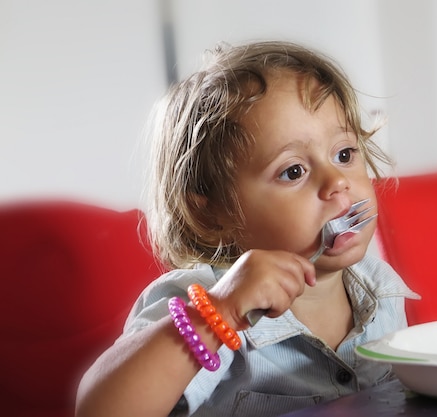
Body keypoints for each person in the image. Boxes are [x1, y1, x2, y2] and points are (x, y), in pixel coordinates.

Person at [76, 40, 418, 417]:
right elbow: (101, 410)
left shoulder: (381, 288)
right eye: (293, 171)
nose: (337, 181)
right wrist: (219, 313)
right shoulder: (203, 298)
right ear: (214, 213)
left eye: (344, 154)